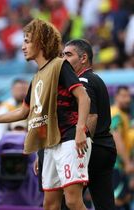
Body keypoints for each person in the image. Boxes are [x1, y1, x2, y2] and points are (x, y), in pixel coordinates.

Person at [0, 19, 91, 210]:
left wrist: (80, 130)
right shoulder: (36, 77)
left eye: (27, 41)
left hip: (70, 138)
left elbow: (83, 97)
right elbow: (23, 112)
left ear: (41, 41)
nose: (22, 47)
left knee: (72, 201)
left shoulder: (60, 65)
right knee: (49, 204)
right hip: (50, 145)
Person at [61, 39, 117, 209]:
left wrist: (84, 146)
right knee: (104, 203)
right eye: (62, 55)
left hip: (90, 148)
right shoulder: (95, 79)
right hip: (106, 147)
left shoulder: (83, 81)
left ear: (83, 58)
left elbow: (91, 116)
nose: (63, 59)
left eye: (68, 55)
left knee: (68, 202)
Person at [110, 85, 133, 209]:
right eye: (123, 96)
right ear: (116, 97)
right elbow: (117, 140)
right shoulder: (115, 114)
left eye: (128, 96)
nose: (127, 99)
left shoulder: (123, 115)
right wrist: (128, 162)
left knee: (125, 198)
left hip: (120, 165)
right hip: (115, 165)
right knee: (117, 199)